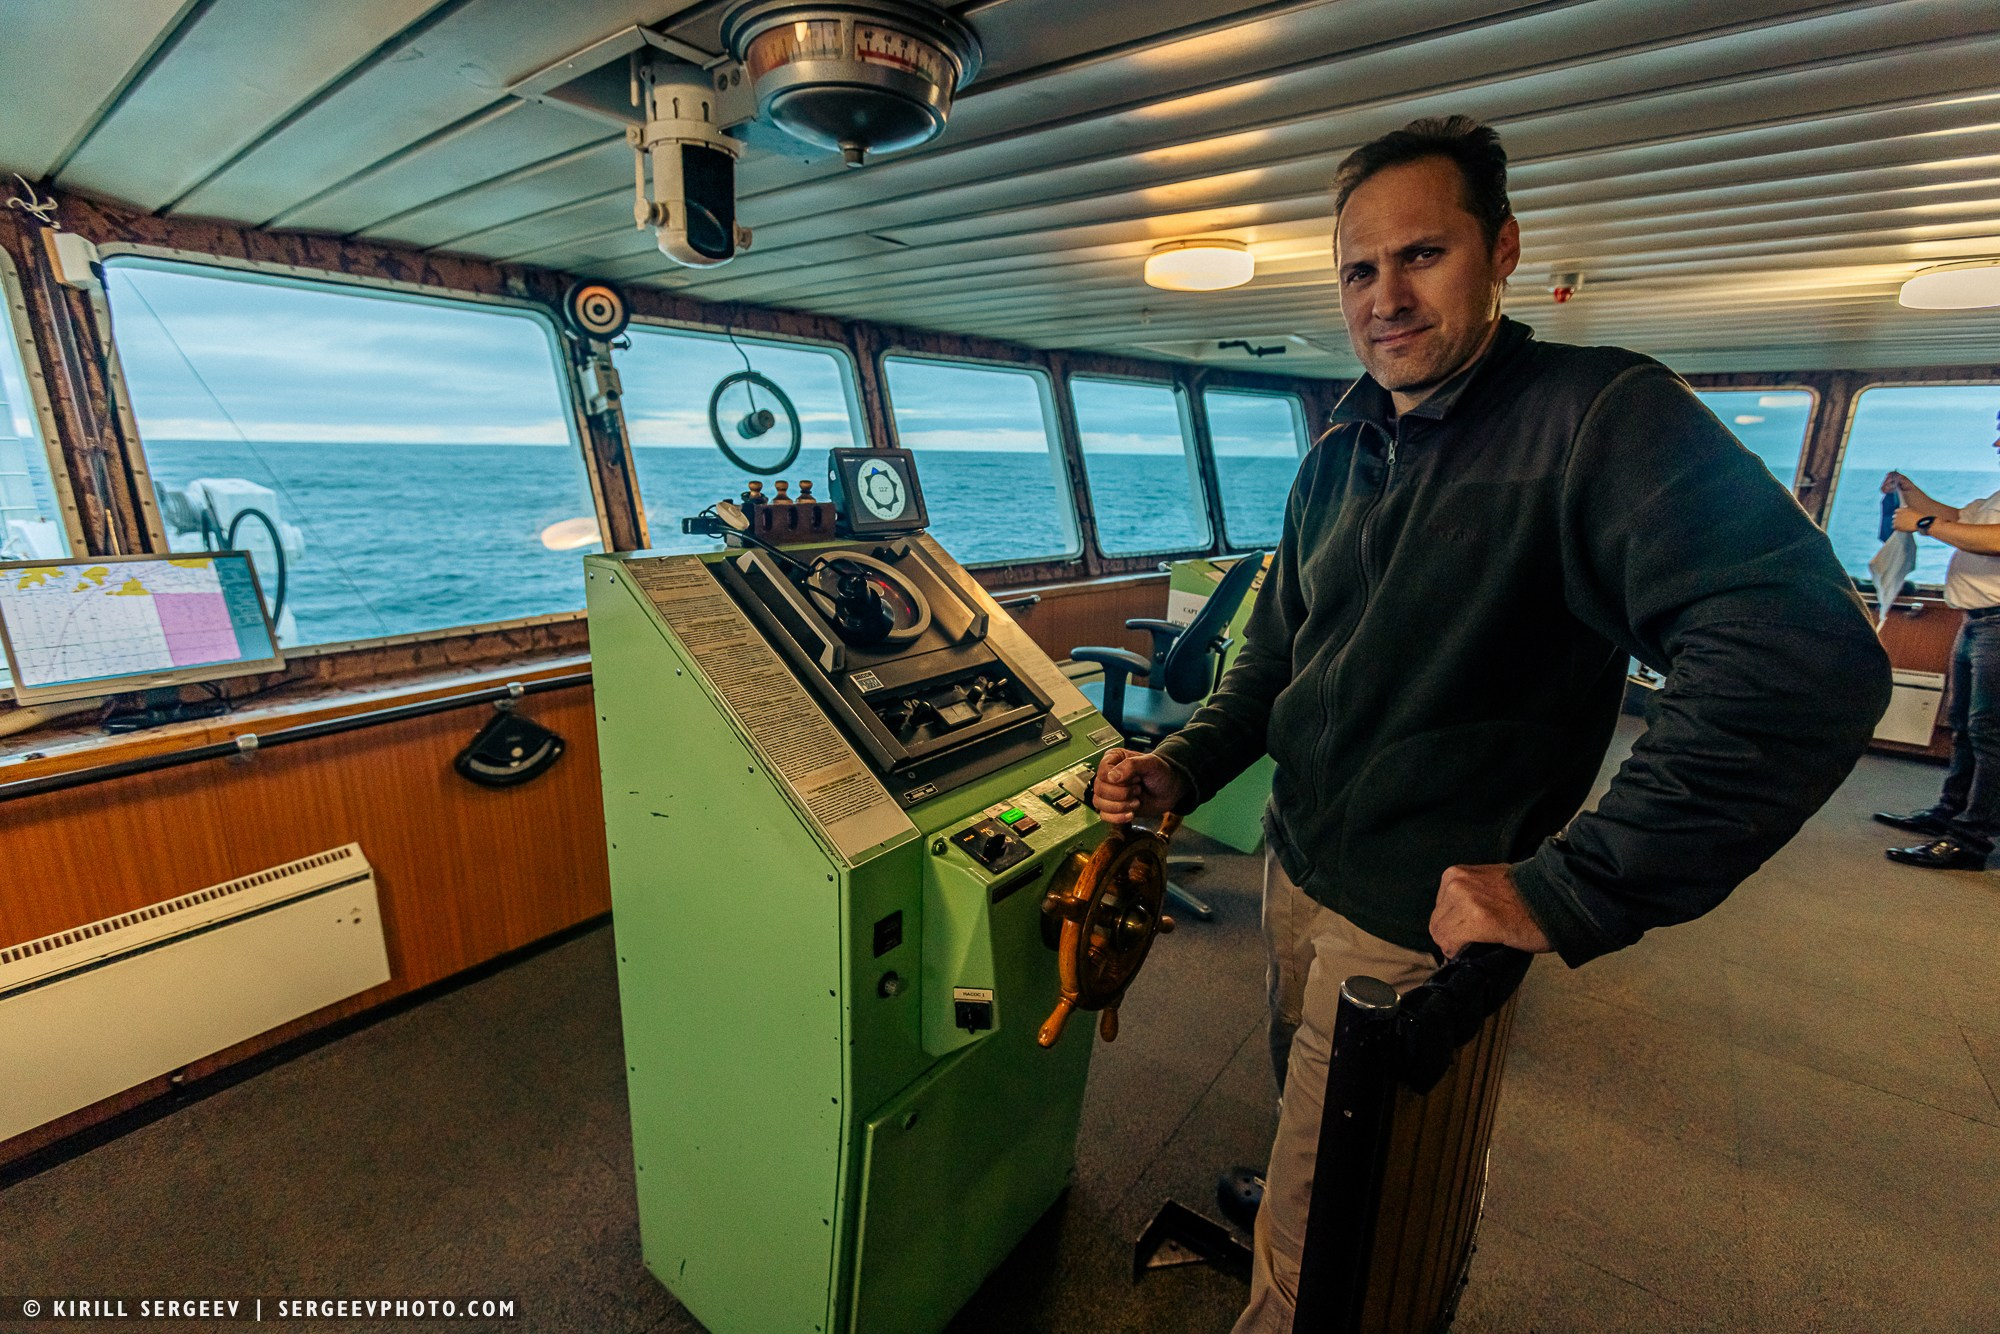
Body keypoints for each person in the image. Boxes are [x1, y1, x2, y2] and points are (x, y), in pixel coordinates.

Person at [1090, 115, 1891, 1333]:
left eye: (1422, 255)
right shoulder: (1336, 450)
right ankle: (1304, 1187)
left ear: (1501, 249)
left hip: (1416, 915)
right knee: (1306, 1107)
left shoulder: (1597, 417)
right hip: (1298, 863)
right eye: (1358, 270)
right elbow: (1277, 656)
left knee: (1326, 1252)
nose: (1384, 297)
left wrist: (1570, 886)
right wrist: (1183, 761)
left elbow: (1801, 656)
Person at [1873, 423, 2000, 869]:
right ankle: (1952, 813)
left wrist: (1925, 524)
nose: (1997, 442)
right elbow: (1958, 518)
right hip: (1977, 622)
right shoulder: (1995, 497)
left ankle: (1971, 840)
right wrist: (1910, 492)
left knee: (1991, 735)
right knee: (1965, 726)